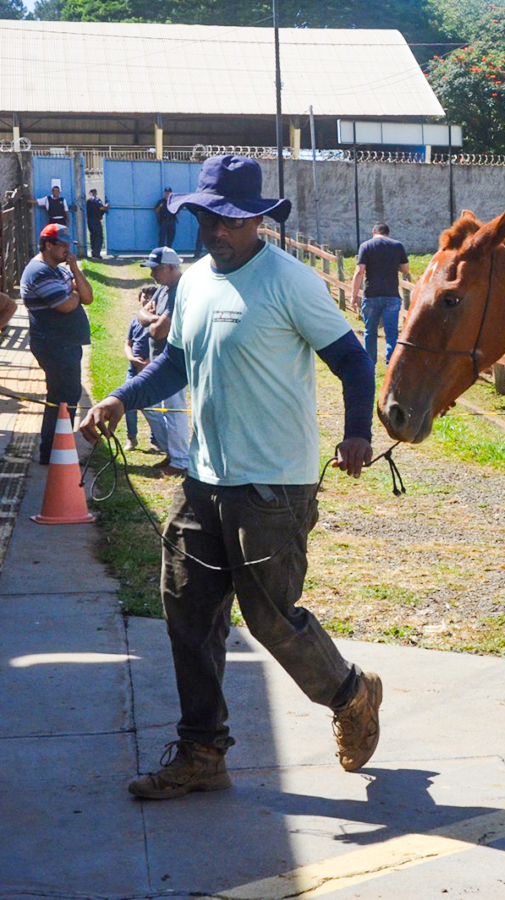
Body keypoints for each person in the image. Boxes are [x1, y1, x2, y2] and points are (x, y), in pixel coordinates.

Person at [79, 154, 382, 801]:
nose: (218, 231)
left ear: (257, 222)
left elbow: (354, 362)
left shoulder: (292, 283)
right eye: (208, 218)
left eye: (232, 221)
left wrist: (358, 432)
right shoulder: (192, 283)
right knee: (188, 609)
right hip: (205, 482)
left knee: (270, 616)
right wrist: (120, 399)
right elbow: (175, 364)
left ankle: (351, 692)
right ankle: (201, 751)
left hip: (275, 486)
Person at [20, 224, 94, 463]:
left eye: (68, 246)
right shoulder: (39, 271)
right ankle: (53, 451)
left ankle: (58, 448)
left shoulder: (59, 270)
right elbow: (66, 305)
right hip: (54, 345)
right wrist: (73, 294)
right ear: (47, 245)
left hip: (66, 344)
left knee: (67, 396)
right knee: (62, 398)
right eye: (61, 245)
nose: (66, 249)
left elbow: (88, 297)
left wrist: (74, 268)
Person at [136, 247, 191, 476]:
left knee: (173, 409)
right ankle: (173, 453)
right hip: (159, 359)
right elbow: (141, 316)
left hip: (173, 360)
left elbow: (158, 331)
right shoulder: (162, 290)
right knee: (151, 406)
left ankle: (180, 460)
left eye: (156, 269)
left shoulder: (179, 291)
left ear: (171, 267)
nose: (152, 275)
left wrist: (151, 318)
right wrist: (152, 318)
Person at [350, 222, 410, 364]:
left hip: (371, 295)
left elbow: (359, 271)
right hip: (391, 295)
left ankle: (370, 364)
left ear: (373, 233)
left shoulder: (366, 246)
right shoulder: (397, 246)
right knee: (392, 334)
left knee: (370, 332)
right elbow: (406, 269)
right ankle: (391, 365)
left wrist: (353, 296)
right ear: (388, 233)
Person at [121, 288, 154, 451]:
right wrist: (131, 358)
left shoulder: (156, 321)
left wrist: (148, 362)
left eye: (151, 299)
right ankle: (131, 437)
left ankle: (156, 439)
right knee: (129, 402)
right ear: (139, 300)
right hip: (133, 369)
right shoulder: (135, 321)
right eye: (144, 298)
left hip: (151, 369)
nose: (147, 302)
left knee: (153, 405)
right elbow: (128, 344)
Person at [86, 188, 110, 259]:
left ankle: (93, 252)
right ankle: (96, 253)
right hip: (96, 220)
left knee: (93, 236)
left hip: (89, 220)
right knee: (98, 236)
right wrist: (107, 204)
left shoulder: (88, 201)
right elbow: (102, 208)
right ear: (96, 193)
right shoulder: (96, 200)